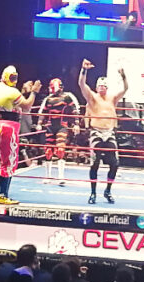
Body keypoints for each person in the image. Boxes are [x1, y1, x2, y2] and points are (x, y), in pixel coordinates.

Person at [0, 66, 41, 205]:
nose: (14, 80)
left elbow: (12, 102)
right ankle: (3, 195)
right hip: (7, 127)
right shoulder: (11, 91)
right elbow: (27, 105)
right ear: (6, 77)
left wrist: (23, 93)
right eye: (12, 77)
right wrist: (34, 92)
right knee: (9, 162)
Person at [78, 59, 128, 204]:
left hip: (110, 132)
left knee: (115, 163)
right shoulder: (92, 97)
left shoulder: (112, 98)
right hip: (96, 132)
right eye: (99, 85)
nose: (102, 87)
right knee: (95, 163)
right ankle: (93, 193)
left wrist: (123, 76)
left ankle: (108, 190)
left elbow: (125, 89)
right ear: (96, 87)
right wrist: (84, 70)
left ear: (107, 87)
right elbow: (81, 84)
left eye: (104, 86)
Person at [37, 78, 80, 186]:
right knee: (48, 151)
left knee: (61, 149)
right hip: (50, 126)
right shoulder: (48, 99)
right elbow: (43, 112)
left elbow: (75, 110)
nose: (51, 89)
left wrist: (76, 123)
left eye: (53, 87)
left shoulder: (67, 97)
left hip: (62, 126)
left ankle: (61, 176)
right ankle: (48, 176)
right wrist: (39, 123)